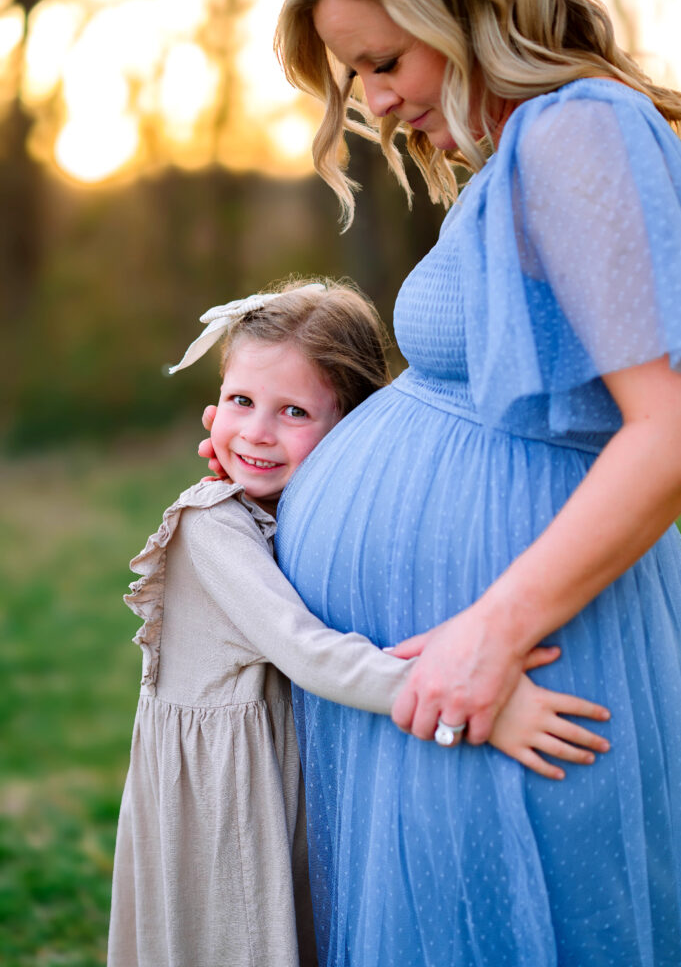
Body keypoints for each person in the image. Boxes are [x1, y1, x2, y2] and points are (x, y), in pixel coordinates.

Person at [256, 0, 681, 964]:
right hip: (457, 656)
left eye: (386, 60)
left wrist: (493, 630)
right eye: (357, 73)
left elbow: (666, 428)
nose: (377, 99)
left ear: (473, 15)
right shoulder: (534, 151)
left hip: (520, 651)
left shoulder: (577, 127)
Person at [108, 280, 608, 967]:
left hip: (270, 771)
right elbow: (311, 654)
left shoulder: (280, 513)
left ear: (351, 431)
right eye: (239, 402)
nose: (255, 431)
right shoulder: (210, 527)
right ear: (211, 408)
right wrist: (466, 702)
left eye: (292, 412)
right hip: (222, 803)